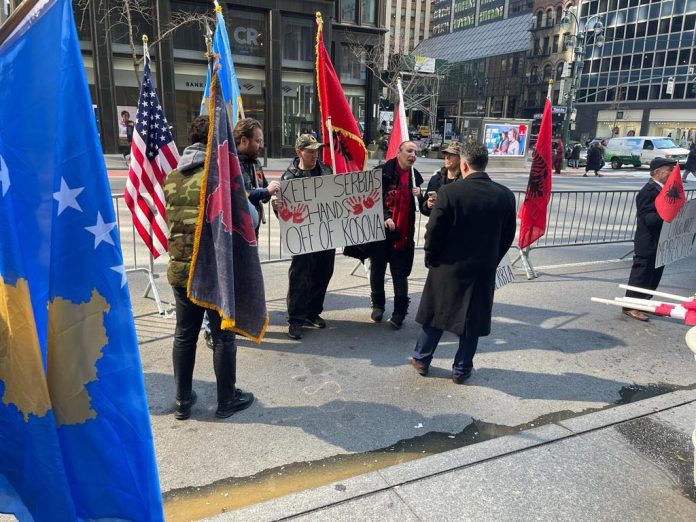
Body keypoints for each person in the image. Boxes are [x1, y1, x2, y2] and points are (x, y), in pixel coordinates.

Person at [164, 116, 254, 420]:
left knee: (184, 335)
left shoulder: (172, 177)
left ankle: (182, 401)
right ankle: (226, 400)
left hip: (180, 269)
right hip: (213, 271)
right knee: (222, 336)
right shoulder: (219, 177)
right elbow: (250, 219)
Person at [410, 142, 516, 383]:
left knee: (436, 313)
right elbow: (507, 236)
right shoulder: (505, 195)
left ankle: (422, 358)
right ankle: (462, 369)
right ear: (485, 163)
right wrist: (492, 258)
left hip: (447, 265)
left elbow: (433, 231)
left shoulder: (450, 192)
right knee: (472, 318)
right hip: (482, 267)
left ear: (464, 164)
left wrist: (431, 257)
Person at [278, 134, 335, 340]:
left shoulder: (326, 170)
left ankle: (313, 312)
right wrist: (278, 208)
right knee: (300, 277)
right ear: (299, 152)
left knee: (323, 273)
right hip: (303, 237)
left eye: (316, 150)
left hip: (326, 233)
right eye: (310, 151)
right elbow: (285, 215)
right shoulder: (289, 178)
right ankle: (296, 319)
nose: (314, 154)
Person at [368, 141, 423, 328]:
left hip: (403, 234)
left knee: (399, 273)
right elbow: (370, 199)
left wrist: (420, 195)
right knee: (377, 269)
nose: (413, 155)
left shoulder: (415, 177)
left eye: (415, 152)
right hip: (381, 231)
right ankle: (378, 305)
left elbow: (423, 207)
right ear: (399, 152)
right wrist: (385, 216)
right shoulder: (381, 172)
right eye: (409, 151)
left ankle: (400, 312)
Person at [622, 157, 676, 321]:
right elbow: (648, 219)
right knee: (641, 274)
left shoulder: (666, 190)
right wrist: (667, 212)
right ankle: (631, 306)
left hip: (661, 240)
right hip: (648, 240)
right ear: (658, 172)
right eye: (670, 170)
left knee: (655, 274)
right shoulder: (648, 191)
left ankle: (645, 302)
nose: (673, 174)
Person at [234, 118, 280, 236]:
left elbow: (265, 191)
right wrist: (266, 191)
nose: (261, 146)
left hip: (254, 231)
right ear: (244, 141)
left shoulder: (256, 164)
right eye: (258, 141)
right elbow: (240, 195)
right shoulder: (231, 164)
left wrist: (272, 195)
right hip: (237, 232)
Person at [421, 141, 461, 217]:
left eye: (452, 154)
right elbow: (424, 209)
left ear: (460, 158)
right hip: (439, 222)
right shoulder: (436, 178)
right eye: (446, 154)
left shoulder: (465, 180)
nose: (447, 157)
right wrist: (428, 205)